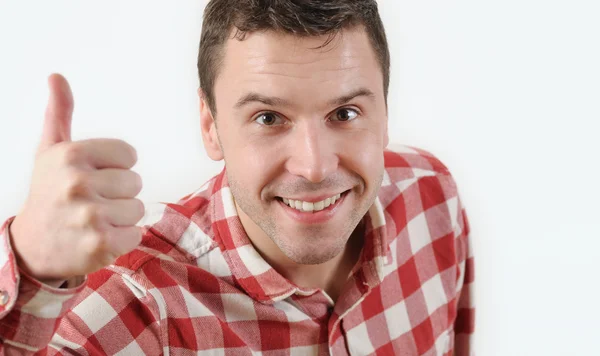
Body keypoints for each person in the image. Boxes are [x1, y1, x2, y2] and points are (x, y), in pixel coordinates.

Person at [0, 0, 474, 354]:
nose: (314, 166)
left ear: (386, 114)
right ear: (211, 127)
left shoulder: (430, 197)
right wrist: (31, 273)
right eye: (268, 118)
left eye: (345, 113)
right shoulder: (139, 300)